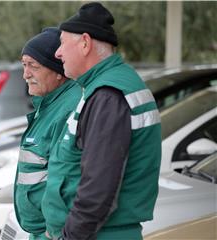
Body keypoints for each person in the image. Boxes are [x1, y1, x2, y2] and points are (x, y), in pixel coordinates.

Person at [41, 2, 162, 240]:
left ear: (85, 43)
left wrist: (70, 236)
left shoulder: (108, 95)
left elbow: (98, 187)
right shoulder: (103, 87)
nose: (58, 53)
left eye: (63, 43)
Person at [14, 27, 82, 240]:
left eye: (33, 66)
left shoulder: (69, 108)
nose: (25, 74)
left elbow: (69, 178)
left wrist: (55, 229)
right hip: (41, 230)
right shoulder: (50, 104)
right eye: (24, 65)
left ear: (58, 71)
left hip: (53, 232)